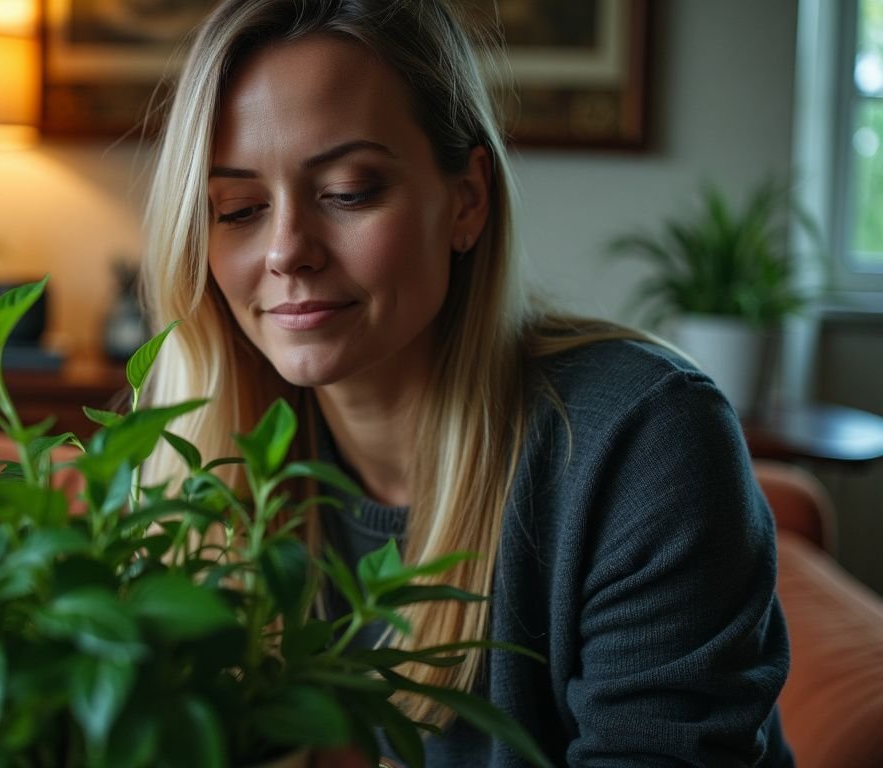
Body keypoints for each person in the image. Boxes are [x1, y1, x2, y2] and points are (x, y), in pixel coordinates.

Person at [137, 0, 795, 765]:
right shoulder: (195, 466)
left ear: (467, 200)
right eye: (238, 208)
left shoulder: (644, 440)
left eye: (348, 191)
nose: (287, 251)